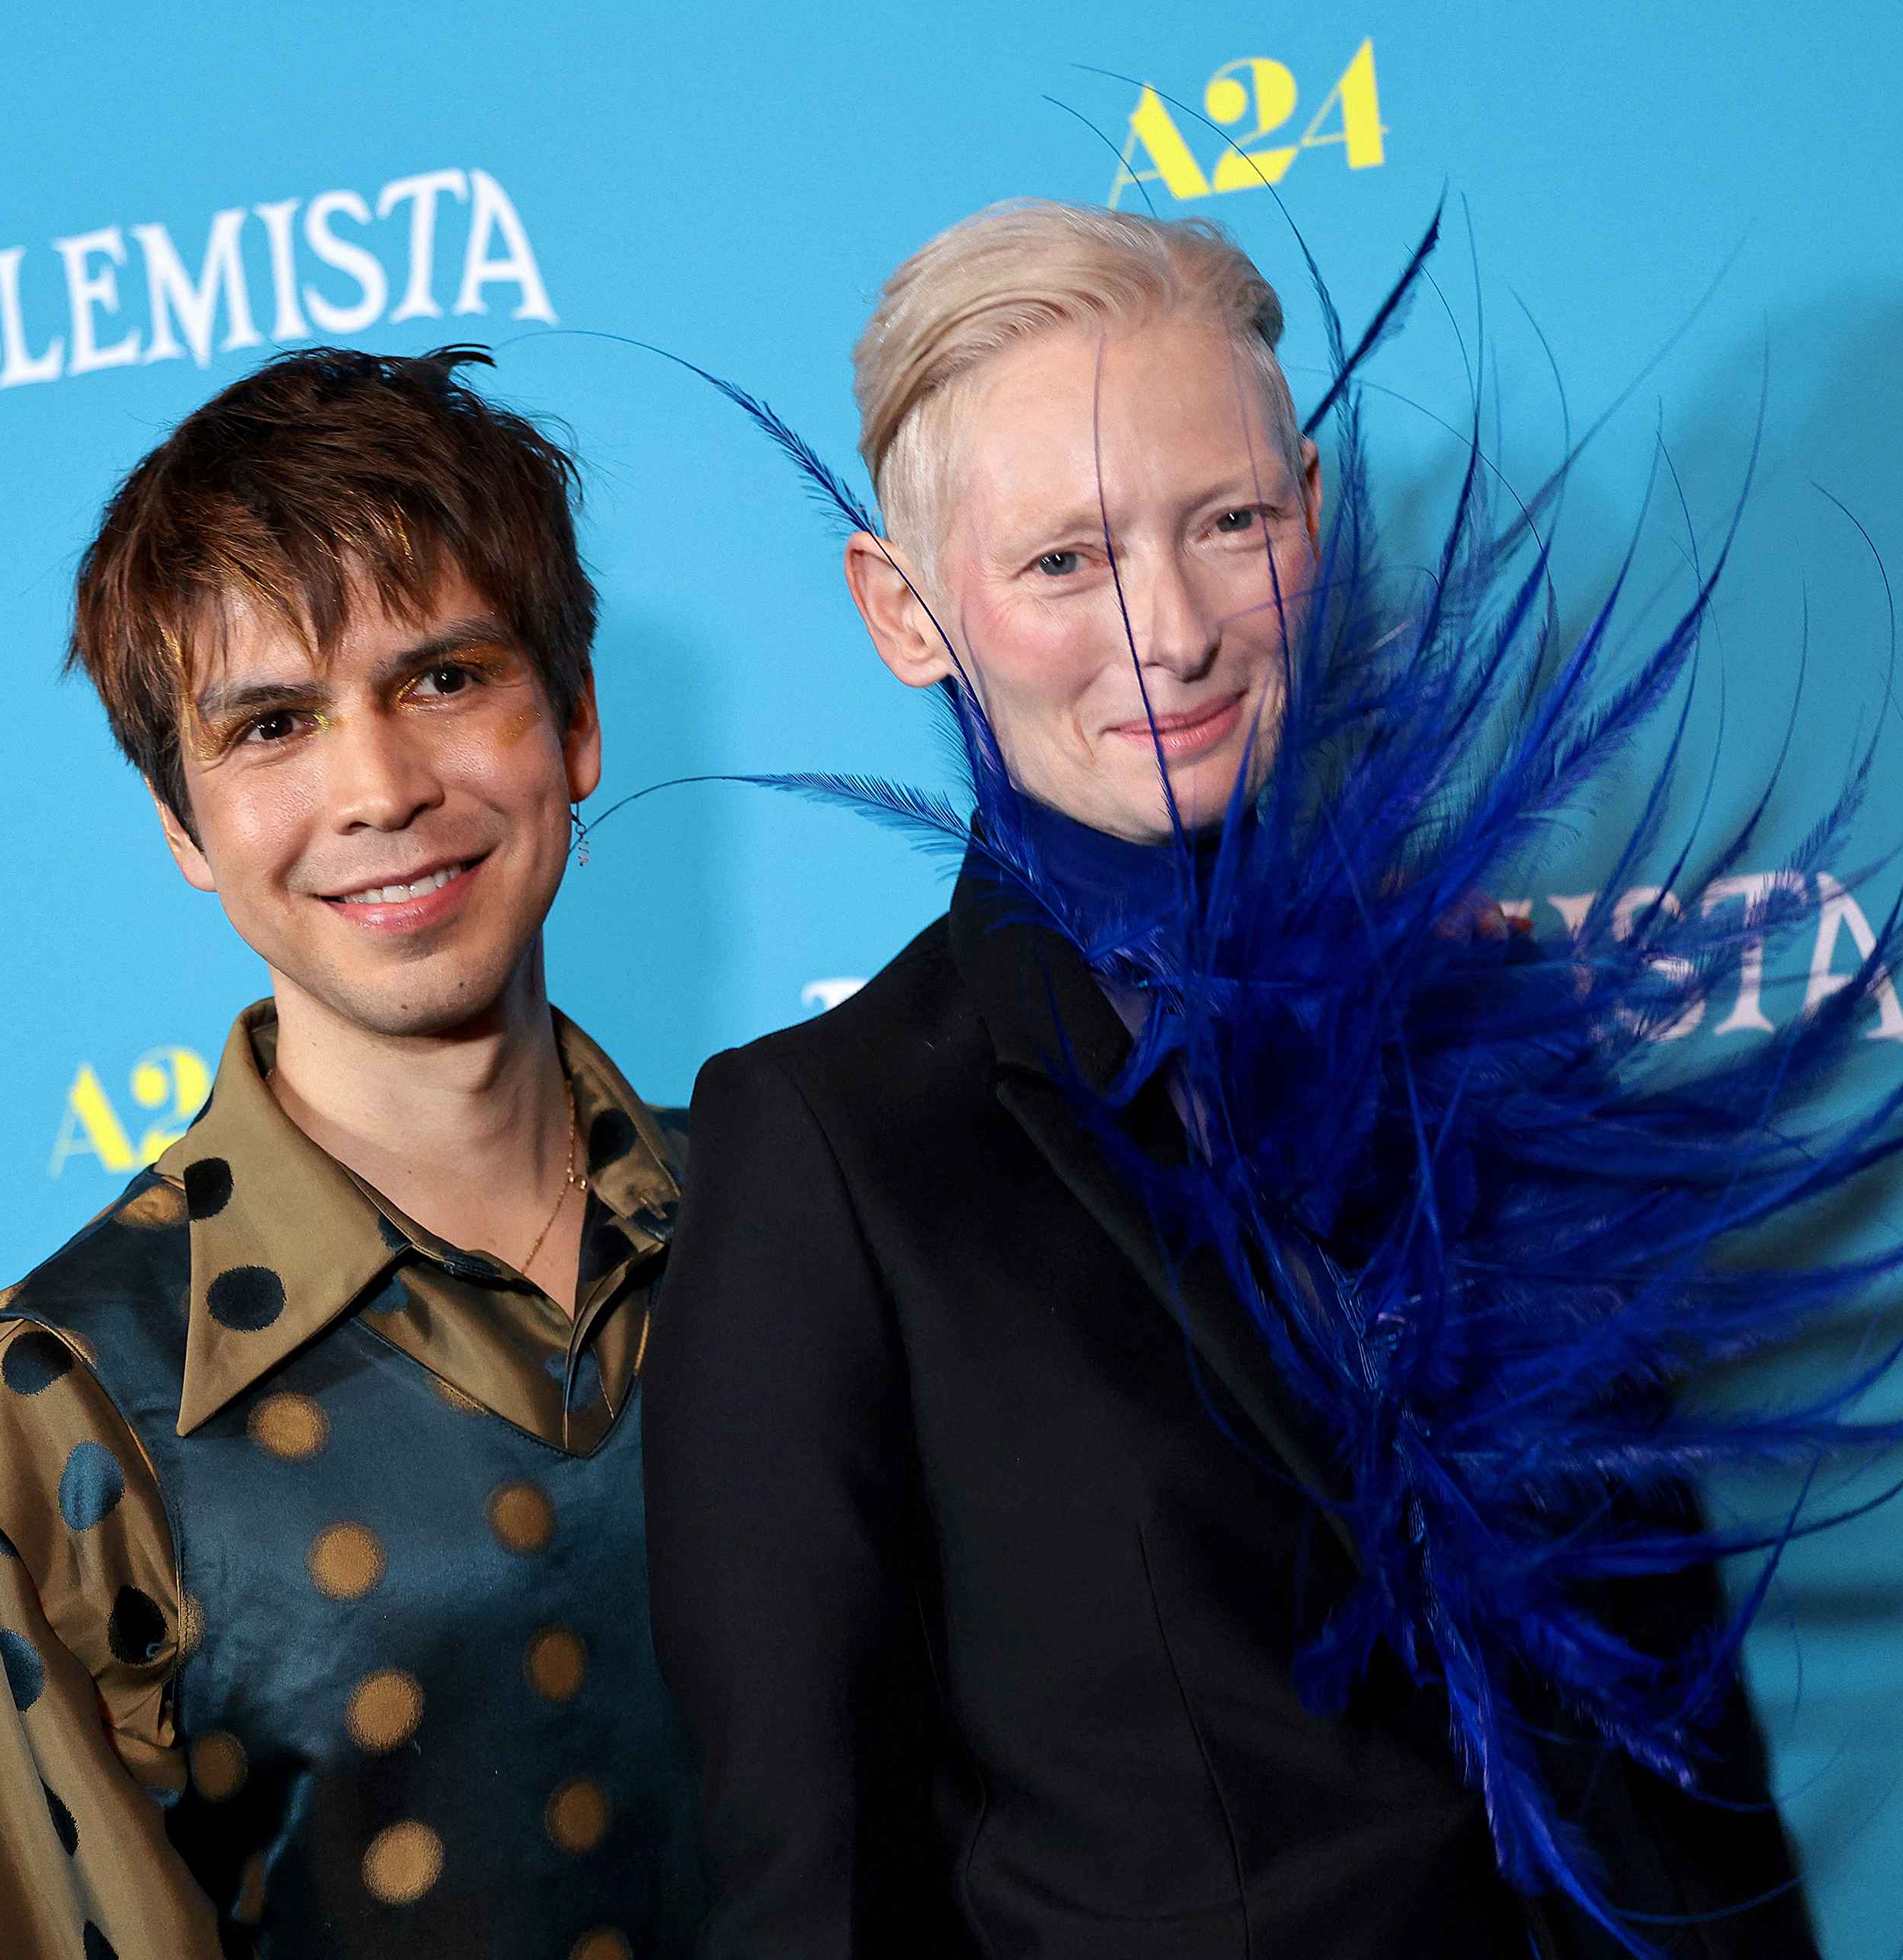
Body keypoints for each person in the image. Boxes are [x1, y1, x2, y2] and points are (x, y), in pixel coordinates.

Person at [642, 201, 1837, 1958]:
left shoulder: (1494, 1027)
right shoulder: (831, 1156)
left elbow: (1682, 1748)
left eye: (1229, 521)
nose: (1176, 631)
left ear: (1317, 518)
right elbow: (811, 1900)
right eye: (1065, 561)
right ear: (905, 612)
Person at [0, 345, 702, 1958]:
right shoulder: (28, 1446)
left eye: (442, 678)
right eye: (274, 723)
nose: (379, 788)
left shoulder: (809, 1220)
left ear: (572, 720)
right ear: (182, 821)